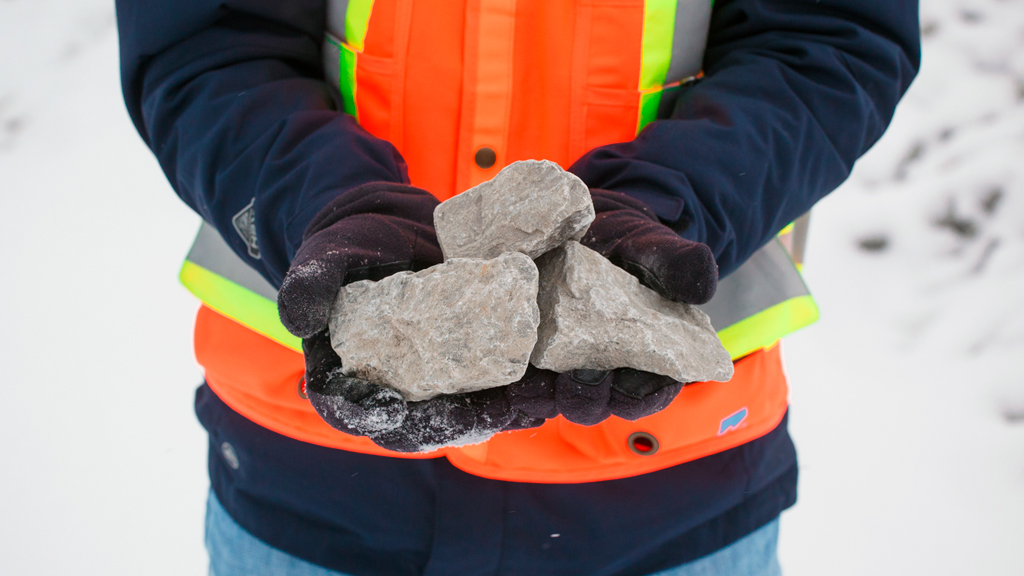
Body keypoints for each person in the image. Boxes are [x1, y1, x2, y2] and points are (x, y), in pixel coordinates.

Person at [116, 0, 920, 574]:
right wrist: (323, 208)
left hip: (672, 488)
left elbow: (834, 35)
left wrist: (675, 206)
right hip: (308, 474)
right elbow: (202, 37)